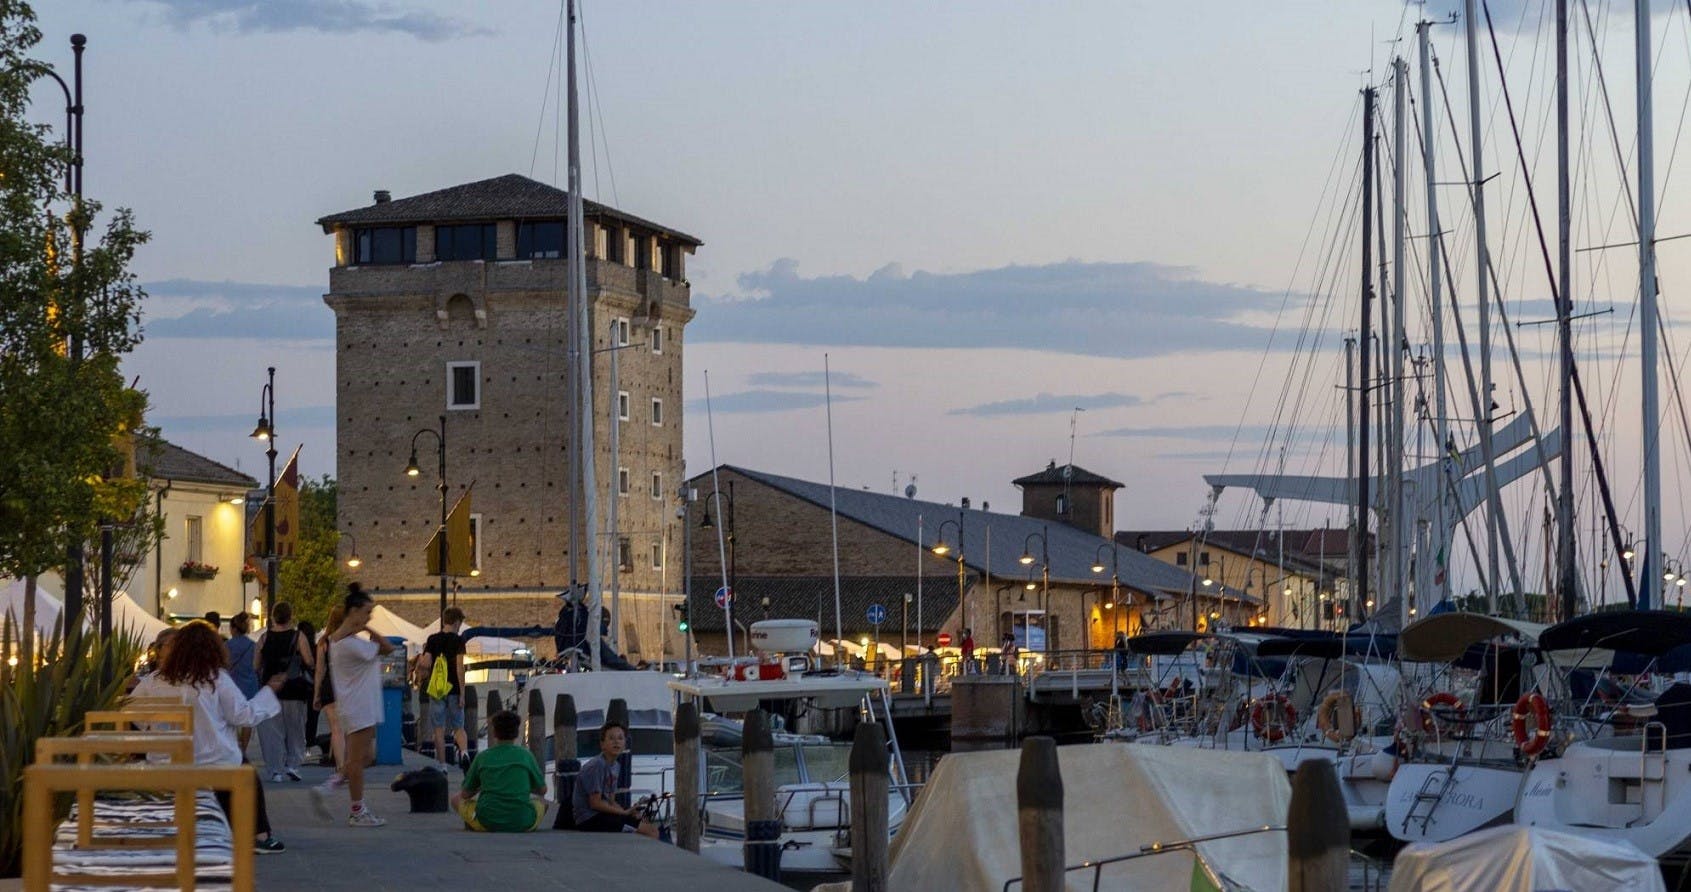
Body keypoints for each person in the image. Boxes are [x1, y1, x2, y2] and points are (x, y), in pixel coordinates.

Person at [132, 620, 289, 854]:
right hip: (212, 762)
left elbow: (134, 714)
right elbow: (243, 715)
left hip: (164, 762)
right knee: (245, 772)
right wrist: (269, 692)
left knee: (232, 765)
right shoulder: (216, 678)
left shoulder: (154, 681)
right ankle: (258, 835)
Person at [321, 583, 395, 827]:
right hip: (359, 706)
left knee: (365, 756)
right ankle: (357, 809)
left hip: (360, 704)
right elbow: (387, 648)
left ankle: (331, 787)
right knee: (356, 761)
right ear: (353, 612)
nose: (369, 616)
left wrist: (362, 625)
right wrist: (367, 627)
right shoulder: (350, 644)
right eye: (366, 612)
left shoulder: (342, 640)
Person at [451, 709, 547, 832]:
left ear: (495, 732)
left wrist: (481, 788)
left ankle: (473, 822)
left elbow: (465, 793)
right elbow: (542, 790)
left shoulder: (482, 757)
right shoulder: (526, 755)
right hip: (522, 820)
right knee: (543, 804)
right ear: (516, 733)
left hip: (487, 820)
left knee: (455, 799)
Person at [254, 602, 314, 782]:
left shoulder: (264, 638)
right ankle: (293, 765)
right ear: (291, 616)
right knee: (295, 730)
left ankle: (275, 770)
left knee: (272, 732)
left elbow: (255, 665)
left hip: (270, 690)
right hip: (294, 688)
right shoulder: (298, 637)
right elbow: (309, 661)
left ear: (273, 616)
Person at [571, 720, 657, 837]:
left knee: (651, 828)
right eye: (611, 738)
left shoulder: (616, 766)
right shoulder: (597, 765)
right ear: (602, 744)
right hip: (590, 818)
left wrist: (628, 812)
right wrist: (623, 812)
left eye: (620, 738)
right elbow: (595, 803)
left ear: (625, 744)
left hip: (603, 814)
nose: (616, 742)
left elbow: (610, 800)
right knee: (648, 832)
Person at [419, 606, 469, 772]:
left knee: (438, 729)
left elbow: (425, 663)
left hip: (437, 689)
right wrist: (462, 693)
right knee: (458, 727)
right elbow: (459, 667)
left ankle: (442, 766)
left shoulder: (432, 639)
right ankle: (463, 752)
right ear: (456, 622)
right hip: (454, 689)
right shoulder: (459, 640)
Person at [312, 605, 349, 793]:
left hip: (328, 686)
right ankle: (347, 766)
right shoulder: (348, 640)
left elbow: (320, 669)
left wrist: (316, 693)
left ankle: (340, 765)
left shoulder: (324, 642)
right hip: (345, 686)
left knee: (336, 729)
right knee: (347, 727)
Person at [226, 613, 260, 753]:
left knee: (231, 719)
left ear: (233, 629)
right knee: (247, 721)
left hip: (232, 684)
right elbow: (257, 666)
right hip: (250, 685)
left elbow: (224, 666)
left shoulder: (227, 646)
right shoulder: (253, 646)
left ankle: (234, 746)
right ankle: (243, 749)